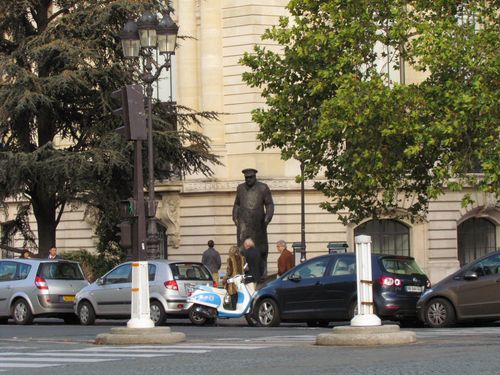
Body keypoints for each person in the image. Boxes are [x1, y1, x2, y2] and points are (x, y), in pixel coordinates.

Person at [232, 168, 274, 275]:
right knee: (242, 249)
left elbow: (269, 204)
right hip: (243, 223)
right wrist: (234, 215)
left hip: (258, 223)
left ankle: (262, 272)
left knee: (261, 248)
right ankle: (244, 272)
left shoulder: (263, 187)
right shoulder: (240, 188)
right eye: (246, 177)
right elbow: (237, 203)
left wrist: (267, 218)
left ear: (255, 176)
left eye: (250, 177)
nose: (248, 179)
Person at [221, 245, 245, 310]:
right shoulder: (243, 258)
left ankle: (235, 308)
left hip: (233, 281)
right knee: (240, 294)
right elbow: (246, 268)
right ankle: (240, 308)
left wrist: (224, 279)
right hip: (241, 280)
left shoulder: (230, 259)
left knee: (233, 295)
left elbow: (229, 271)